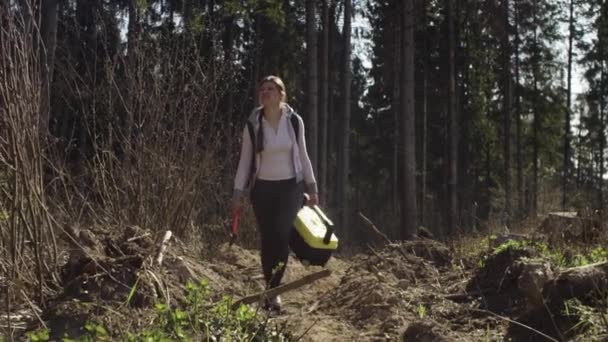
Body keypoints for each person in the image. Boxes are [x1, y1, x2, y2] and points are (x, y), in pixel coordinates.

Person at [231, 75, 319, 312]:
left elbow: (303, 154)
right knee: (268, 239)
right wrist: (237, 193)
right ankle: (270, 290)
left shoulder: (294, 121)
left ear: (281, 94)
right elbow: (245, 161)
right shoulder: (253, 123)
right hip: (262, 189)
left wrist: (312, 187)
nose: (265, 92)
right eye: (262, 89)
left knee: (281, 235)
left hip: (291, 187)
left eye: (271, 89)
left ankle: (275, 290)